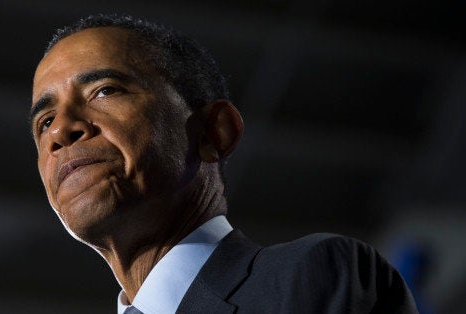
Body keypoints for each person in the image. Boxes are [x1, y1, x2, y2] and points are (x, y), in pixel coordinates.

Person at [29, 14, 417, 314]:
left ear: (215, 133)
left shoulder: (309, 279)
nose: (61, 130)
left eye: (104, 91)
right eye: (44, 122)